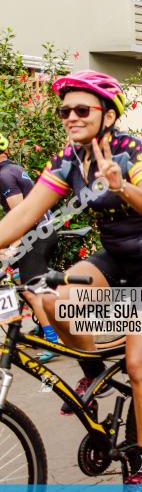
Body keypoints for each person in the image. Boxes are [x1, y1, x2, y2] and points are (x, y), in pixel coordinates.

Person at [0, 70, 142, 492]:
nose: (70, 116)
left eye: (81, 109)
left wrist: (120, 184)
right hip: (116, 259)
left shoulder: (131, 152)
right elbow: (23, 215)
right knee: (54, 301)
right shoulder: (68, 160)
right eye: (64, 110)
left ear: (107, 114)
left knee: (140, 364)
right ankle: (93, 372)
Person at [0, 132, 60, 362]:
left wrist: (13, 248)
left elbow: (23, 217)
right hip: (41, 232)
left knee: (29, 289)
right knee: (19, 278)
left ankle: (52, 339)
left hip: (37, 235)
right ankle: (46, 323)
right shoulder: (12, 169)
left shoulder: (4, 176)